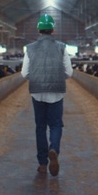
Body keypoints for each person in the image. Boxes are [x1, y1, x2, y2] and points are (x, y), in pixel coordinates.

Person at [21, 14, 73, 176]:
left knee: (40, 127)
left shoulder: (30, 48)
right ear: (53, 30)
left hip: (37, 93)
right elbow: (69, 72)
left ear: (38, 30)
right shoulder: (62, 47)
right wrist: (57, 78)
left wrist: (37, 78)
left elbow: (24, 73)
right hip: (57, 92)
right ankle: (54, 149)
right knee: (56, 124)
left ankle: (43, 163)